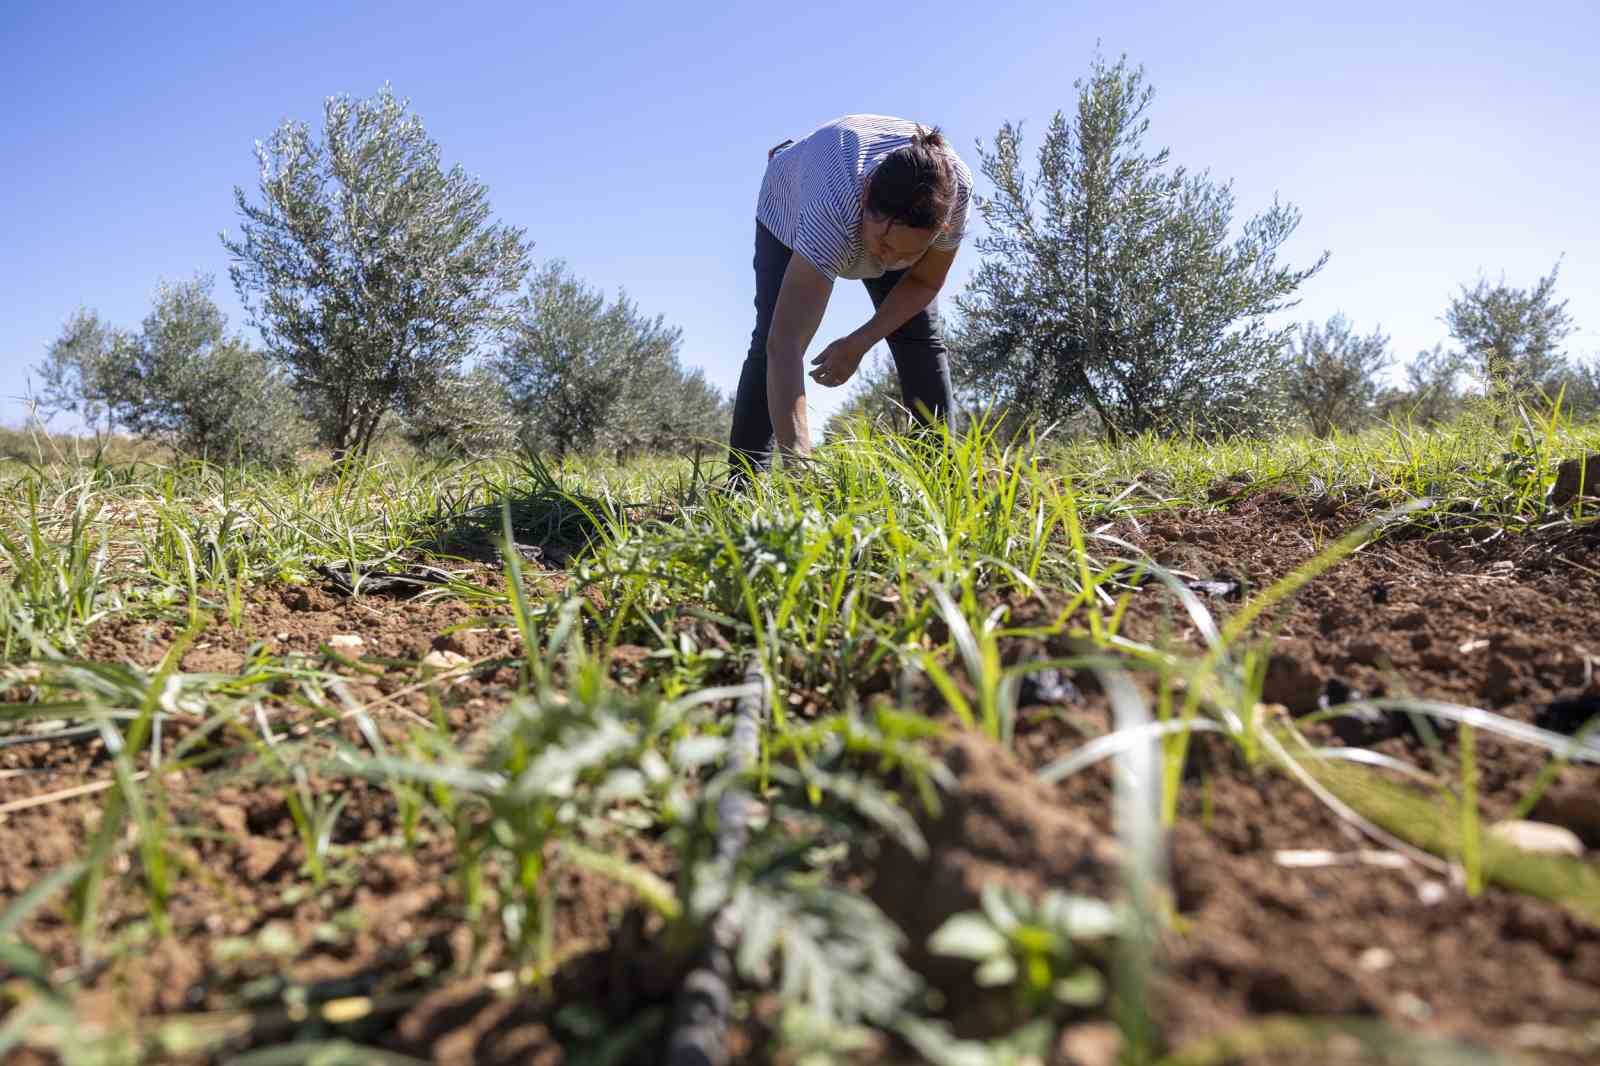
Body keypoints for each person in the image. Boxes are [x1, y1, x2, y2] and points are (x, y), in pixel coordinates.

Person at [727, 114, 974, 473]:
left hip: (864, 200)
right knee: (770, 335)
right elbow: (786, 344)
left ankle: (938, 478)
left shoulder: (956, 195)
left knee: (919, 337)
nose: (891, 261)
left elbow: (922, 283)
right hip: (789, 200)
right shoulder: (833, 209)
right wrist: (801, 467)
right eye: (886, 245)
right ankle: (744, 484)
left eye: (910, 253)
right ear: (865, 200)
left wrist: (859, 342)